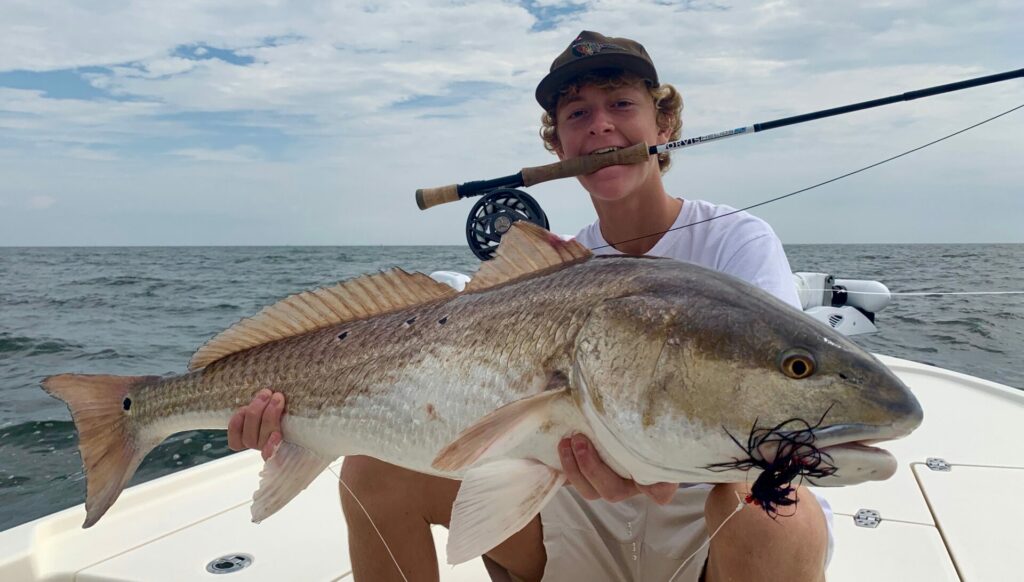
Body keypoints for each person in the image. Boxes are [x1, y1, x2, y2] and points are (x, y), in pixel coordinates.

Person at [228, 31, 831, 582]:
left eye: (622, 104)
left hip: (701, 513)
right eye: (577, 114)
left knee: (777, 506)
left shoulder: (735, 239)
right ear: (559, 142)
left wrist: (653, 463)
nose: (600, 127)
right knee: (371, 473)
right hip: (574, 501)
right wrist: (302, 421)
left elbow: (778, 410)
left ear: (663, 123)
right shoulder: (557, 266)